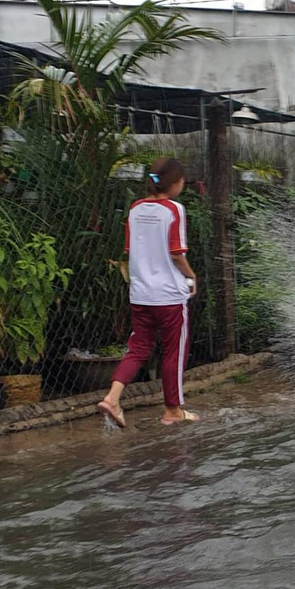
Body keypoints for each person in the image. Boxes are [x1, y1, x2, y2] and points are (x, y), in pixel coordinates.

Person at [97, 157, 199, 427]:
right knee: (173, 352)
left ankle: (113, 397)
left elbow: (131, 250)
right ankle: (173, 410)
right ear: (175, 184)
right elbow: (176, 253)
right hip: (169, 295)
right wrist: (191, 276)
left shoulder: (135, 209)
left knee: (138, 347)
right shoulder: (174, 210)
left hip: (141, 294)